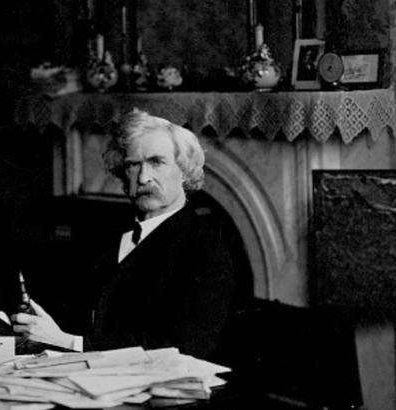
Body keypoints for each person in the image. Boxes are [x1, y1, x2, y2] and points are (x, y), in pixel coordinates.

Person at [12, 109, 237, 360]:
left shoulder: (206, 248)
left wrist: (68, 342)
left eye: (157, 162)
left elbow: (181, 348)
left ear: (184, 171)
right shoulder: (108, 231)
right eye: (132, 165)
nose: (143, 178)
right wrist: (38, 327)